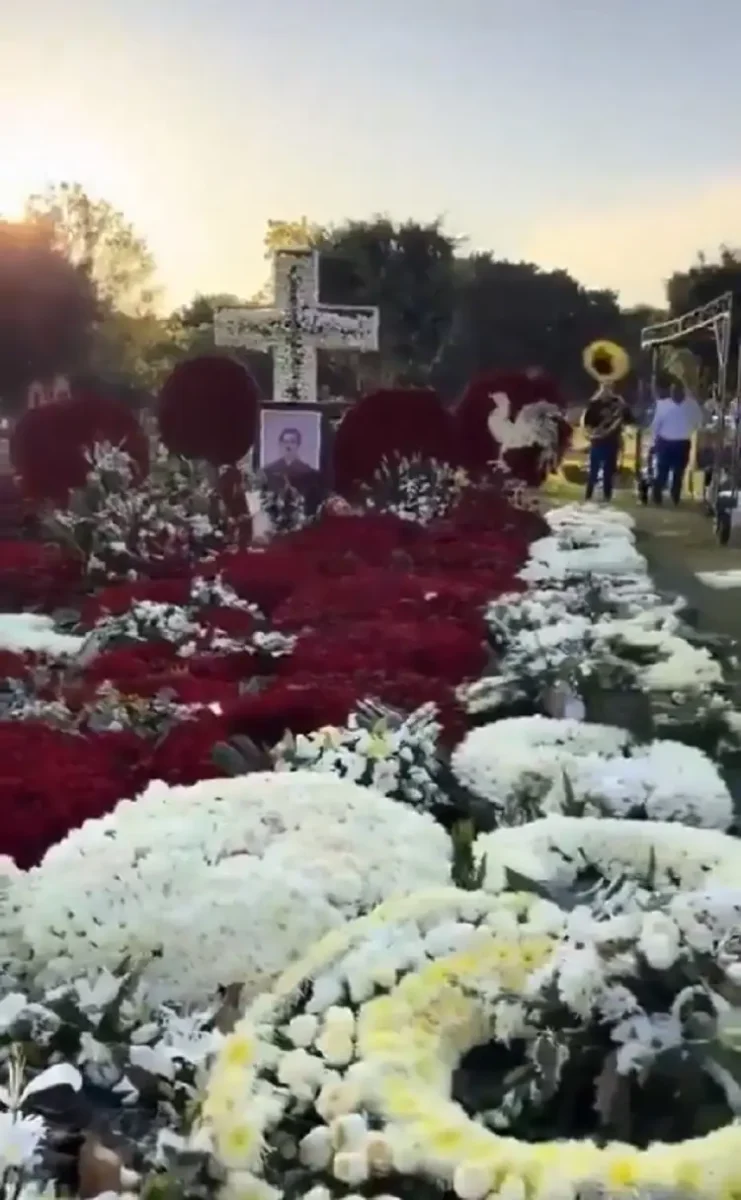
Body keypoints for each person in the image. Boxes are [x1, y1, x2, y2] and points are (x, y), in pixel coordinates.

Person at [650, 383, 703, 505]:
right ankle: (657, 495)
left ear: (683, 392)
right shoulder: (663, 405)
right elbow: (656, 424)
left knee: (678, 472)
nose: (676, 394)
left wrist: (689, 428)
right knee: (662, 470)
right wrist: (654, 442)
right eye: (673, 392)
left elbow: (698, 420)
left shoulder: (691, 404)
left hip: (682, 443)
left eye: (678, 392)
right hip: (665, 442)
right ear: (670, 392)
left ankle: (675, 496)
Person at [582, 385, 633, 502]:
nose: (606, 391)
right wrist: (594, 431)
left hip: (612, 441)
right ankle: (588, 495)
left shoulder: (618, 404)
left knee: (608, 472)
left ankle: (607, 496)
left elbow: (629, 419)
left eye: (609, 388)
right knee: (593, 471)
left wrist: (623, 405)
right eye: (604, 388)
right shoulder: (594, 404)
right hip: (597, 442)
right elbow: (587, 422)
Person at [263, 425, 322, 509]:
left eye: (292, 442)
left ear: (298, 445)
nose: (288, 445)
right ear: (281, 444)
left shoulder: (309, 472)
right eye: (285, 441)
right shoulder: (269, 470)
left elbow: (313, 499)